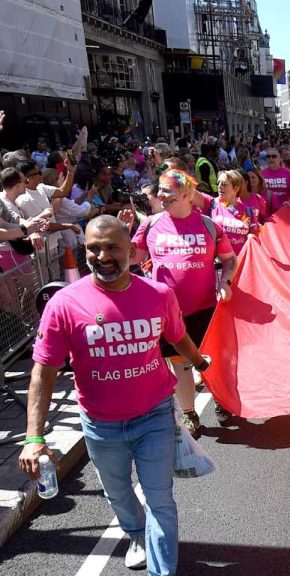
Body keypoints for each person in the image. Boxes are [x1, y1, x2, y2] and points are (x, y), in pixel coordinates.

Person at [19, 215, 210, 576]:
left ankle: (162, 571)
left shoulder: (158, 294)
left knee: (160, 499)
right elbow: (42, 372)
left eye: (112, 247)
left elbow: (176, 335)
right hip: (101, 425)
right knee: (119, 493)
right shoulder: (63, 304)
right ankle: (136, 534)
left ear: (132, 251)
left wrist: (200, 361)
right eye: (93, 248)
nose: (102, 255)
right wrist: (33, 438)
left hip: (154, 416)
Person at [119, 170, 237, 437]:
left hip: (204, 308)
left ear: (186, 194)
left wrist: (225, 282)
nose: (161, 195)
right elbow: (131, 258)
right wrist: (123, 234)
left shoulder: (209, 225)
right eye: (160, 189)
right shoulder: (150, 224)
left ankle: (220, 400)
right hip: (167, 312)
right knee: (181, 365)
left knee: (211, 359)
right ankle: (190, 414)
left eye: (168, 191)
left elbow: (230, 259)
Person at [211, 170, 258, 255]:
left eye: (224, 184)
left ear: (236, 188)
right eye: (219, 183)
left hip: (242, 261)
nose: (220, 187)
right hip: (220, 264)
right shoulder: (211, 203)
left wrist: (253, 236)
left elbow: (256, 237)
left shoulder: (248, 212)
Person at [260, 148, 290, 217]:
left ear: (280, 158)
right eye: (268, 156)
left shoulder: (289, 174)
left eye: (274, 156)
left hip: (285, 212)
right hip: (268, 213)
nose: (270, 158)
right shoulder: (261, 174)